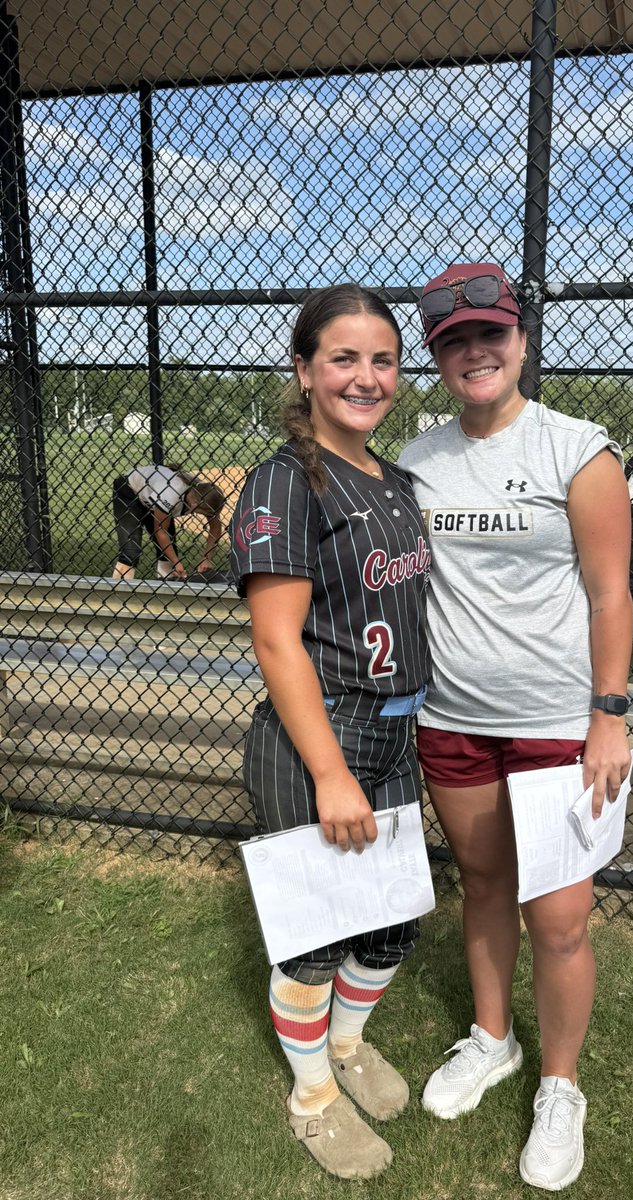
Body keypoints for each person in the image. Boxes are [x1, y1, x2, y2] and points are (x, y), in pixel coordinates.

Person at [397, 262, 633, 1191]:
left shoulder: (579, 449)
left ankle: (561, 1085)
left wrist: (608, 716)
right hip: (452, 717)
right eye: (454, 342)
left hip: (554, 725)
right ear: (438, 359)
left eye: (490, 334)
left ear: (521, 339)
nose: (475, 352)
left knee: (561, 918)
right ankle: (492, 1038)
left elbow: (611, 595)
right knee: (484, 883)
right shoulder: (417, 458)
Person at [228, 285, 430, 1181]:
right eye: (343, 358)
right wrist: (330, 773)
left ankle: (347, 1048)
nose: (365, 376)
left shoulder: (395, 477)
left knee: (389, 926)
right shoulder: (286, 478)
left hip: (397, 728)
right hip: (325, 735)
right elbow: (277, 639)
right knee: (314, 942)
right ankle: (311, 1099)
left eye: (381, 358)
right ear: (305, 370)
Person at [111, 464, 225, 580]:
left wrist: (207, 558)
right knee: (131, 553)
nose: (209, 516)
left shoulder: (205, 493)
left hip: (152, 494)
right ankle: (118, 591)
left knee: (167, 552)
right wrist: (176, 563)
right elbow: (160, 531)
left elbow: (215, 527)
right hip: (129, 491)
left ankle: (166, 591)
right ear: (195, 506)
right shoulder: (171, 494)